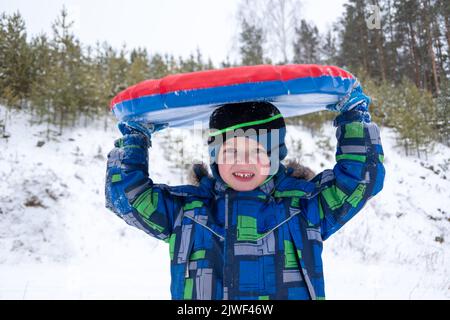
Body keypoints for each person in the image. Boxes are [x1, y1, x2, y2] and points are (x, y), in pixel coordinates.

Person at [105, 85, 385, 300]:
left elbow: (360, 179)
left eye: (257, 151)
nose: (243, 161)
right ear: (215, 157)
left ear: (276, 156)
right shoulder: (188, 211)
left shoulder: (304, 207)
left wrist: (353, 116)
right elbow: (128, 197)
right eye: (231, 151)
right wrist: (135, 137)